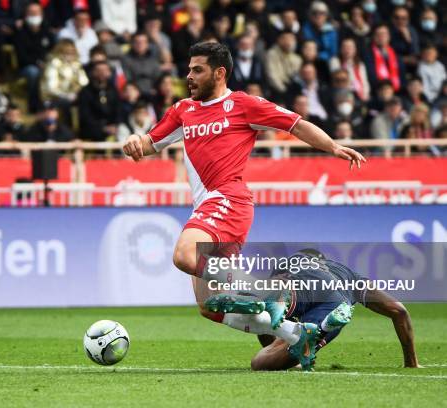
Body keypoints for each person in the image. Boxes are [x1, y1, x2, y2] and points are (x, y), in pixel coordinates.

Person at [122, 42, 365, 371]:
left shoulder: (243, 105)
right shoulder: (183, 110)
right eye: (189, 69)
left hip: (228, 199)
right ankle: (298, 335)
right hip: (207, 207)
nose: (188, 76)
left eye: (197, 70)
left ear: (219, 73)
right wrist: (136, 139)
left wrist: (333, 146)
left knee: (183, 255)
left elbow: (295, 124)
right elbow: (151, 143)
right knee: (209, 307)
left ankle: (265, 292)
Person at [205, 250, 419, 370]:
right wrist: (411, 362)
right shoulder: (350, 275)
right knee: (298, 342)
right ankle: (323, 328)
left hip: (295, 288)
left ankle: (257, 297)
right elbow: (398, 311)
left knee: (261, 355)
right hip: (337, 301)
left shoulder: (292, 261)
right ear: (323, 259)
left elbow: (266, 328)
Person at [14, 2, 54, 113]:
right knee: (34, 73)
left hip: (46, 63)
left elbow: (52, 50)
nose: (34, 15)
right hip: (27, 66)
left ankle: (52, 105)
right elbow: (21, 56)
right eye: (31, 13)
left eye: (36, 13)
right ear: (26, 15)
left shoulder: (47, 30)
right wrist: (37, 62)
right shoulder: (20, 33)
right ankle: (35, 105)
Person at [78, 61, 120, 141]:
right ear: (93, 72)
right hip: (92, 128)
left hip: (112, 127)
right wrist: (102, 128)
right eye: (99, 70)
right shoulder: (85, 92)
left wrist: (115, 125)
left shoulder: (113, 90)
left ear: (109, 72)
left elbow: (118, 110)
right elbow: (85, 115)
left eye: (105, 70)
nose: (102, 73)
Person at [121, 32, 162, 97]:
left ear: (147, 44)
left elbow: (158, 77)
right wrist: (137, 90)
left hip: (153, 92)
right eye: (137, 42)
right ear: (132, 44)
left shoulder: (153, 59)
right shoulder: (126, 59)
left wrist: (156, 88)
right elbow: (127, 78)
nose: (140, 44)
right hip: (134, 92)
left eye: (143, 42)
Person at [265, 30, 302, 98]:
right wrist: (284, 91)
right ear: (279, 40)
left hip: (292, 91)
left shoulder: (297, 59)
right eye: (285, 38)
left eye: (291, 39)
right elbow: (272, 76)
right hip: (277, 92)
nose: (288, 42)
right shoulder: (272, 54)